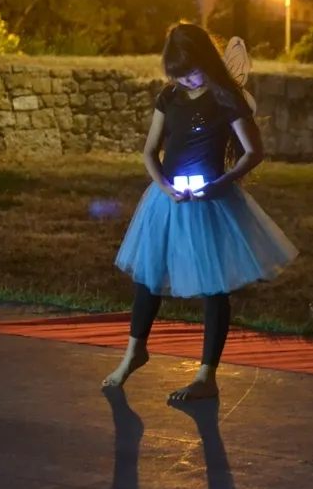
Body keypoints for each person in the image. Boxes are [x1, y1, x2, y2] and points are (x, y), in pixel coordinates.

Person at [103, 22, 299, 400]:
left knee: (214, 288)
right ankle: (134, 352)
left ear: (206, 61)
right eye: (179, 75)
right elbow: (149, 151)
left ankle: (206, 375)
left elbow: (253, 152)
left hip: (212, 201)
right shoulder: (169, 97)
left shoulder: (227, 97)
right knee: (148, 277)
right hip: (167, 201)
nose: (188, 81)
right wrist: (164, 187)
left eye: (192, 72)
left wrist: (222, 183)